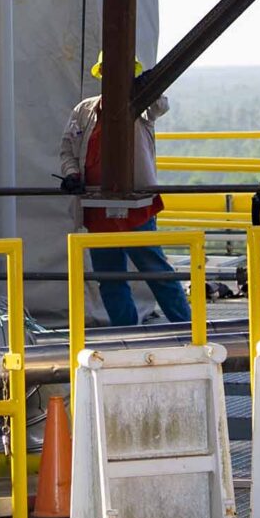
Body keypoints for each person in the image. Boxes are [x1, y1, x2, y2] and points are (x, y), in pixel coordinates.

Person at [56, 56, 192, 328]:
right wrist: (72, 174)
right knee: (110, 278)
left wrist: (147, 86)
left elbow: (160, 104)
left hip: (135, 207)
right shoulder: (85, 111)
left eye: (124, 71)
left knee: (157, 273)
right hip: (98, 207)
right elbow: (68, 148)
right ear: (102, 74)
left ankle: (189, 329)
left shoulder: (141, 106)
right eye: (112, 71)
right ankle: (127, 333)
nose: (116, 76)